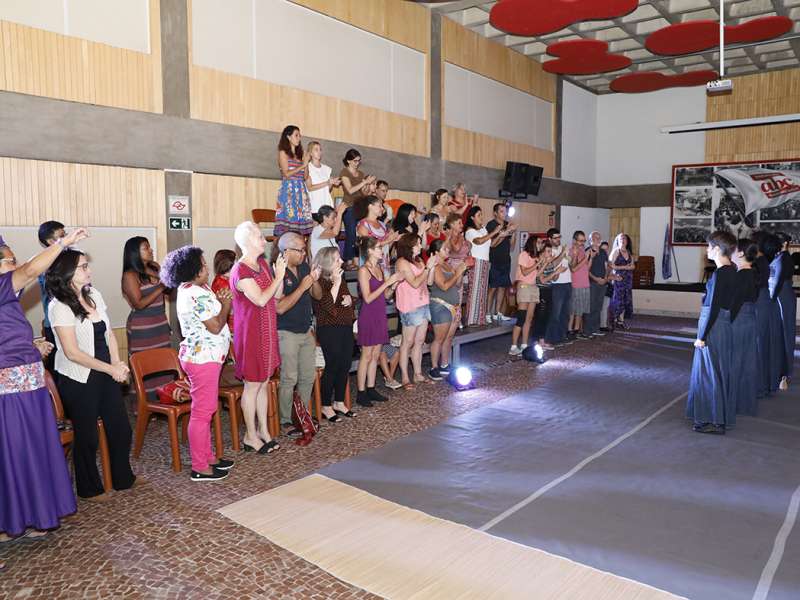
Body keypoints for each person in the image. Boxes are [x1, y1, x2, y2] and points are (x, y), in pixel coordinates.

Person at [0, 229, 86, 542]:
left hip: (27, 384)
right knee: (15, 454)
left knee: (33, 453)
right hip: (10, 392)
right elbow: (31, 270)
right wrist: (63, 243)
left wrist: (31, 344)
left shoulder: (6, 295)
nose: (15, 263)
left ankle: (35, 517)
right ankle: (13, 521)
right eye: (9, 259)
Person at [47, 248, 138, 499]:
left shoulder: (94, 294)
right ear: (67, 272)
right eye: (83, 267)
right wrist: (110, 368)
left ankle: (122, 477)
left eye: (87, 265)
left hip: (104, 371)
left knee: (121, 429)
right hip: (78, 377)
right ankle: (89, 488)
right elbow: (72, 353)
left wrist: (118, 364)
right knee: (87, 436)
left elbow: (108, 332)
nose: (90, 271)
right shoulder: (59, 305)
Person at [160, 246, 236, 481]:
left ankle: (209, 457)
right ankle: (200, 466)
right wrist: (226, 305)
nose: (206, 268)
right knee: (202, 413)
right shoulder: (196, 293)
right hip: (203, 359)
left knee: (206, 409)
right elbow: (214, 326)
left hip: (204, 357)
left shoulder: (190, 289)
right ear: (192, 270)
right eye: (202, 265)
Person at [230, 222, 285, 453]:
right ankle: (250, 436)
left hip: (267, 332)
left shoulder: (262, 263)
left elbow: (276, 296)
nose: (264, 240)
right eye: (260, 237)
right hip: (251, 335)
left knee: (263, 383)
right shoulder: (240, 271)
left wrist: (278, 277)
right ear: (249, 241)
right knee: (252, 385)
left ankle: (264, 430)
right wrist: (279, 275)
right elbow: (261, 299)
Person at [687, 231, 738, 434]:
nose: (707, 250)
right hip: (723, 324)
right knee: (716, 372)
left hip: (714, 325)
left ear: (717, 249)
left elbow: (714, 305)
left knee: (709, 374)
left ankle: (714, 419)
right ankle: (717, 417)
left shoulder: (721, 273)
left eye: (709, 246)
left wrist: (702, 336)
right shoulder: (732, 270)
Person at [276, 232, 320, 428]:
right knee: (289, 377)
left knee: (307, 376)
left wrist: (314, 279)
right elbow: (280, 307)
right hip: (286, 332)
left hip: (305, 330)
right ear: (286, 251)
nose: (304, 254)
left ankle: (302, 414)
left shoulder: (303, 267)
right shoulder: (278, 271)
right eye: (300, 250)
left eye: (304, 250)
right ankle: (286, 420)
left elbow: (317, 296)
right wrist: (303, 287)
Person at [311, 247, 358, 420]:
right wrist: (337, 285)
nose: (341, 262)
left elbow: (349, 300)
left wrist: (350, 300)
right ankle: (325, 405)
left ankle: (339, 401)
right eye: (337, 259)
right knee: (333, 365)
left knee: (345, 364)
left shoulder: (339, 278)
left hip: (345, 326)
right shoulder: (319, 283)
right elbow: (329, 308)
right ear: (326, 263)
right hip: (329, 329)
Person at [121, 236, 172, 395]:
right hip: (142, 327)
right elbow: (139, 304)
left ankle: (163, 399)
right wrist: (160, 287)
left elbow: (168, 291)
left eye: (150, 247)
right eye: (146, 248)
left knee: (162, 364)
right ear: (135, 252)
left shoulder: (155, 267)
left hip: (160, 323)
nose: (151, 250)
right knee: (145, 366)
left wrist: (171, 280)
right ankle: (144, 404)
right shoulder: (130, 275)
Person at [356, 237, 401, 405]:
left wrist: (394, 285)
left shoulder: (380, 270)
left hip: (380, 314)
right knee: (366, 355)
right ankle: (361, 393)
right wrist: (387, 283)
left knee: (376, 354)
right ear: (369, 251)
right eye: (378, 248)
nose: (381, 251)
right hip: (368, 315)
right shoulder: (363, 271)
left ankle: (371, 387)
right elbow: (367, 298)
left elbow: (386, 295)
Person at [395, 233, 435, 388]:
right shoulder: (402, 262)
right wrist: (427, 268)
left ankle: (417, 374)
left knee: (419, 341)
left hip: (423, 303)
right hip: (409, 306)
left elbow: (429, 282)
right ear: (409, 246)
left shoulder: (418, 260)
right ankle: (405, 376)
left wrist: (431, 268)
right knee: (407, 342)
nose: (421, 246)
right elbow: (414, 283)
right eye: (418, 243)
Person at [428, 239, 468, 379]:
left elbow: (456, 285)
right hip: (440, 305)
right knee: (439, 338)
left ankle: (445, 364)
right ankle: (434, 367)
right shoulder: (436, 267)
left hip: (453, 305)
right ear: (436, 252)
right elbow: (443, 286)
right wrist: (457, 273)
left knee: (449, 338)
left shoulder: (447, 264)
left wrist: (461, 272)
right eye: (444, 249)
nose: (448, 251)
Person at [731, 238, 759, 416]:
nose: (730, 252)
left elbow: (735, 303)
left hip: (739, 319)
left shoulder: (741, 275)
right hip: (749, 318)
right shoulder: (752, 272)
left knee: (736, 362)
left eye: (733, 250)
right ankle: (744, 402)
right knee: (746, 362)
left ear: (741, 253)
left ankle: (735, 402)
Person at [754, 233, 783, 397]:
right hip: (764, 301)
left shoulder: (760, 261)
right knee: (764, 343)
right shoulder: (764, 260)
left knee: (760, 344)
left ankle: (761, 385)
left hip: (760, 302)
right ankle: (765, 384)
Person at [464, 206, 504, 327]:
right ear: (472, 217)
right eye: (479, 215)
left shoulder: (483, 229)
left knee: (482, 291)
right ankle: (471, 319)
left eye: (482, 214)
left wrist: (501, 235)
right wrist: (494, 232)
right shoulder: (470, 231)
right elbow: (479, 241)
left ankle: (480, 319)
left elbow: (491, 244)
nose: (481, 217)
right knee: (475, 290)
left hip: (485, 261)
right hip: (476, 262)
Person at [37, 221, 66, 373]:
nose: (67, 238)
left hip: (74, 320)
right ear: (50, 241)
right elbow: (58, 293)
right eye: (62, 236)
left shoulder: (68, 259)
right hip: (55, 324)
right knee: (58, 367)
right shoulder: (44, 264)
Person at [275, 125, 313, 237]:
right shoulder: (283, 153)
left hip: (301, 191)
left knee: (301, 229)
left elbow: (305, 177)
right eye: (296, 135)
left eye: (299, 136)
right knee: (289, 226)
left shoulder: (301, 154)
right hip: (289, 191)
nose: (299, 138)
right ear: (288, 137)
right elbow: (286, 174)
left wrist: (305, 163)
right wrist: (303, 165)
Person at [340, 149, 375, 268]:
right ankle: (348, 260)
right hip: (348, 206)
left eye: (359, 161)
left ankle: (360, 259)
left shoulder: (360, 174)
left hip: (360, 206)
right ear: (348, 161)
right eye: (355, 161)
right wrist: (364, 182)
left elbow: (362, 192)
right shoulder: (344, 172)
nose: (357, 163)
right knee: (351, 234)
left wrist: (368, 187)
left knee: (361, 234)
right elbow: (350, 190)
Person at [486, 203, 516, 323]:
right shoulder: (491, 225)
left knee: (503, 287)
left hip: (506, 260)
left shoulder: (507, 225)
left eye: (505, 211)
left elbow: (512, 246)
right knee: (493, 288)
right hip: (494, 260)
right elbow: (492, 244)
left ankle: (498, 313)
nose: (505, 214)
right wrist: (505, 232)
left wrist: (513, 233)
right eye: (502, 211)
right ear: (495, 213)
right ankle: (488, 313)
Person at [510, 235, 540, 355]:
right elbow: (525, 271)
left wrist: (543, 263)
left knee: (529, 318)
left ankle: (524, 344)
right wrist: (537, 264)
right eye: (539, 242)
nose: (540, 244)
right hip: (524, 286)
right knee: (521, 317)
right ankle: (513, 346)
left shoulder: (536, 257)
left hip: (533, 287)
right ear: (533, 243)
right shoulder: (524, 254)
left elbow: (537, 274)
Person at [544, 228, 572, 346]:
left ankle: (562, 336)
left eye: (559, 237)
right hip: (556, 285)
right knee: (555, 313)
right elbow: (553, 263)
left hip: (567, 282)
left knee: (565, 313)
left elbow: (570, 263)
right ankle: (552, 338)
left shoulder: (562, 248)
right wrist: (562, 253)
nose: (558, 240)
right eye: (555, 238)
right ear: (550, 239)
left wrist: (572, 256)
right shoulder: (549, 251)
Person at [775, 232, 795, 390]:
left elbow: (779, 279)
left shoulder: (784, 257)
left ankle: (786, 373)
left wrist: (771, 297)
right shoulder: (779, 256)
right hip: (780, 294)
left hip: (783, 296)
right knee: (780, 333)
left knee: (786, 332)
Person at [356, 195, 399, 262]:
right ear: (370, 207)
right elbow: (369, 246)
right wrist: (389, 240)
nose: (382, 209)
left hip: (384, 262)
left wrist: (393, 238)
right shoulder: (363, 225)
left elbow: (386, 248)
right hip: (370, 264)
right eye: (380, 206)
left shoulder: (382, 224)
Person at [305, 141, 341, 214]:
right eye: (316, 149)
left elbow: (328, 189)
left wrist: (332, 183)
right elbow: (310, 188)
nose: (319, 152)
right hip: (314, 206)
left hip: (326, 204)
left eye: (320, 149)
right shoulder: (307, 167)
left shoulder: (327, 169)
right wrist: (327, 182)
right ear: (311, 153)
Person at [568, 230, 591, 339]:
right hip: (576, 283)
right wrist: (585, 258)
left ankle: (577, 330)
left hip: (585, 282)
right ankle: (569, 330)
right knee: (573, 309)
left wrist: (591, 258)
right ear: (574, 240)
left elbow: (586, 267)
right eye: (580, 240)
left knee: (580, 309)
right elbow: (573, 268)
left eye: (584, 240)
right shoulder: (571, 251)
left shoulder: (582, 251)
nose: (582, 243)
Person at [609, 233, 635, 330]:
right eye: (621, 239)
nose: (623, 240)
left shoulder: (628, 252)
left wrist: (629, 267)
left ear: (627, 241)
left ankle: (621, 320)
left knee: (626, 300)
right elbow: (611, 265)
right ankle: (614, 320)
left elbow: (633, 266)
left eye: (624, 239)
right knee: (617, 300)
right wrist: (624, 267)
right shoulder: (616, 251)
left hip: (628, 280)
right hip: (618, 280)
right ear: (617, 241)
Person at [585, 231, 609, 337]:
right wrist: (596, 279)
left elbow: (607, 267)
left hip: (602, 283)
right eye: (595, 238)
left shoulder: (603, 252)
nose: (598, 240)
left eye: (599, 238)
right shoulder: (588, 251)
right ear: (590, 240)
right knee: (591, 306)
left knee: (599, 306)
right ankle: (588, 330)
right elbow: (585, 270)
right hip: (592, 283)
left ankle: (596, 328)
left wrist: (605, 278)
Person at [211, 249, 237, 333]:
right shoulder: (222, 285)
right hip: (231, 326)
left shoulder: (225, 279)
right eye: (235, 265)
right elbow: (232, 308)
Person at [599, 241, 612, 331]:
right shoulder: (598, 260)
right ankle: (601, 325)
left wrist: (611, 277)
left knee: (605, 306)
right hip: (599, 285)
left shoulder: (609, 261)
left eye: (607, 249)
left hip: (607, 285)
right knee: (600, 307)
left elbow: (609, 274)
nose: (605, 251)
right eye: (603, 249)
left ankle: (603, 324)